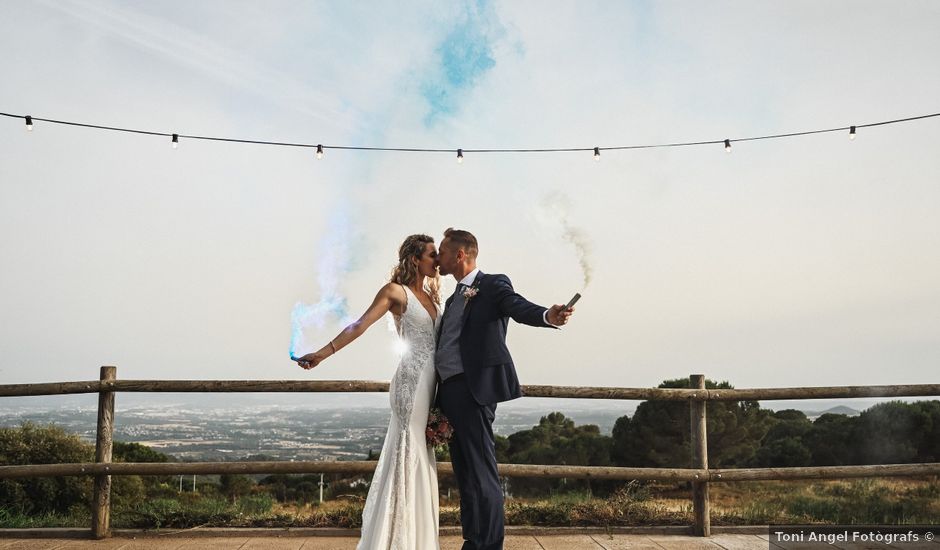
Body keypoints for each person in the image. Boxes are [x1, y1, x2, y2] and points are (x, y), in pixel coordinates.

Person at [295, 234, 443, 549]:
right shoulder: (395, 292)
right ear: (415, 258)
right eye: (432, 254)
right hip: (411, 384)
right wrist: (322, 353)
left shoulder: (433, 295)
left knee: (423, 453)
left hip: (433, 386)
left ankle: (419, 539)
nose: (438, 260)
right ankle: (395, 540)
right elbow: (359, 325)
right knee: (407, 450)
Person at [434, 228, 573, 550]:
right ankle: (473, 540)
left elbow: (518, 306)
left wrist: (547, 316)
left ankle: (490, 545)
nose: (438, 257)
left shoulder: (493, 284)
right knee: (465, 472)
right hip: (450, 391)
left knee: (481, 471)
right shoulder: (455, 296)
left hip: (474, 389)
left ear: (459, 255)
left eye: (442, 251)